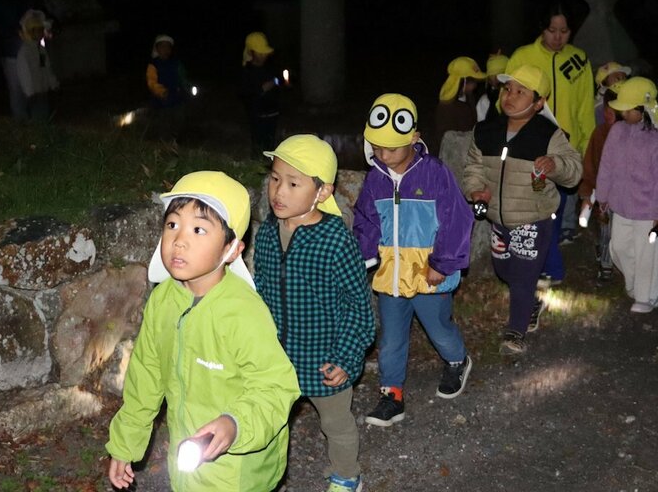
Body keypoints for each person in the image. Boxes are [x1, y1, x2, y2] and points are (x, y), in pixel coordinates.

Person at [106, 171, 300, 491]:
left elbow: (276, 386)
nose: (179, 239)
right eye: (172, 225)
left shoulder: (242, 312)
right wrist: (125, 445)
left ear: (231, 250)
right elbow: (146, 377)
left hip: (238, 470)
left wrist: (235, 424)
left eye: (198, 229)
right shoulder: (163, 299)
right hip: (189, 463)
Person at [254, 134, 376, 492]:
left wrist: (347, 357)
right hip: (277, 357)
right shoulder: (267, 235)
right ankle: (263, 475)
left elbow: (358, 306)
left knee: (336, 424)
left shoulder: (335, 240)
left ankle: (346, 475)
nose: (278, 191)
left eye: (293, 183)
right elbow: (261, 287)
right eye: (275, 178)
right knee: (269, 420)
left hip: (325, 357)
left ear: (322, 193)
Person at [353, 93, 475, 427]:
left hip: (427, 272)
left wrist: (443, 262)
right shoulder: (375, 177)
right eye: (377, 146)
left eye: (391, 147)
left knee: (438, 327)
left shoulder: (434, 173)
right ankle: (392, 395)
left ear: (414, 137)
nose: (383, 154)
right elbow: (366, 218)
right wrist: (362, 256)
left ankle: (456, 360)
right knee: (391, 336)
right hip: (391, 274)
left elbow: (457, 218)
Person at [463, 65, 583, 354]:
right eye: (507, 89)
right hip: (499, 219)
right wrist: (475, 190)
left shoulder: (548, 134)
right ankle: (532, 303)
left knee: (523, 277)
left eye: (520, 92)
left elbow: (574, 171)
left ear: (539, 102)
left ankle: (514, 333)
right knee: (504, 268)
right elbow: (474, 168)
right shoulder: (486, 130)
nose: (511, 96)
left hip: (534, 218)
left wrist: (555, 165)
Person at [506, 0, 596, 275]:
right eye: (551, 30)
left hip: (565, 147)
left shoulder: (578, 60)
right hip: (530, 145)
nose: (557, 37)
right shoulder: (522, 57)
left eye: (564, 31)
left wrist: (585, 147)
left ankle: (548, 257)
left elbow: (584, 107)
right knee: (537, 205)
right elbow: (507, 100)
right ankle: (539, 260)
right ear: (542, 29)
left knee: (557, 205)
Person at [595, 77, 658, 313]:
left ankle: (646, 297)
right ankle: (633, 284)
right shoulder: (617, 131)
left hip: (648, 212)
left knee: (647, 254)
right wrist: (603, 195)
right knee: (618, 248)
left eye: (629, 109)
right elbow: (607, 165)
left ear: (644, 109)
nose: (623, 114)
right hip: (621, 207)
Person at [578, 81, 624, 283]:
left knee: (623, 234)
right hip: (605, 195)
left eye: (613, 109)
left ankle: (624, 265)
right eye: (606, 108)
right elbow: (590, 164)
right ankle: (605, 265)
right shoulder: (599, 134)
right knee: (605, 230)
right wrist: (587, 193)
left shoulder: (634, 136)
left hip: (627, 196)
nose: (607, 113)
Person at [431, 55, 486, 156]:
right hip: (454, 155)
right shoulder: (447, 106)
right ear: (463, 81)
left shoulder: (469, 97)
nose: (475, 85)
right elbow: (445, 138)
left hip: (468, 151)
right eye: (473, 81)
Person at [238, 31, 282, 154]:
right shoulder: (247, 72)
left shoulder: (270, 67)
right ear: (251, 52)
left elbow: (279, 80)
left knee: (270, 145)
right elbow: (244, 94)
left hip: (273, 113)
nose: (263, 56)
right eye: (260, 53)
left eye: (265, 53)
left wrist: (277, 82)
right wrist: (261, 90)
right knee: (258, 146)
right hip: (257, 116)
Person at [15, 9, 58, 123]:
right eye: (35, 30)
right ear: (29, 32)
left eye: (40, 30)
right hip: (33, 94)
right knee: (36, 119)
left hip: (43, 91)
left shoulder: (41, 50)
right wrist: (30, 93)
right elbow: (24, 74)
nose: (39, 33)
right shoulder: (24, 52)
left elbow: (47, 68)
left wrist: (53, 84)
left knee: (45, 117)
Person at [146, 34, 189, 109]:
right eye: (163, 46)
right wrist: (162, 92)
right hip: (160, 99)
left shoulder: (176, 63)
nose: (166, 49)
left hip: (177, 95)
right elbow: (152, 83)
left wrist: (187, 87)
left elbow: (183, 78)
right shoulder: (153, 65)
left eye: (168, 46)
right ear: (157, 49)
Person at [592, 61, 631, 128]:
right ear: (603, 84)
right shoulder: (600, 107)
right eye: (617, 78)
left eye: (624, 78)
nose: (622, 81)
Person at [475, 50, 509, 122]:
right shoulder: (484, 101)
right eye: (493, 75)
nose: (497, 78)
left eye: (501, 73)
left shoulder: (515, 98)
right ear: (489, 79)